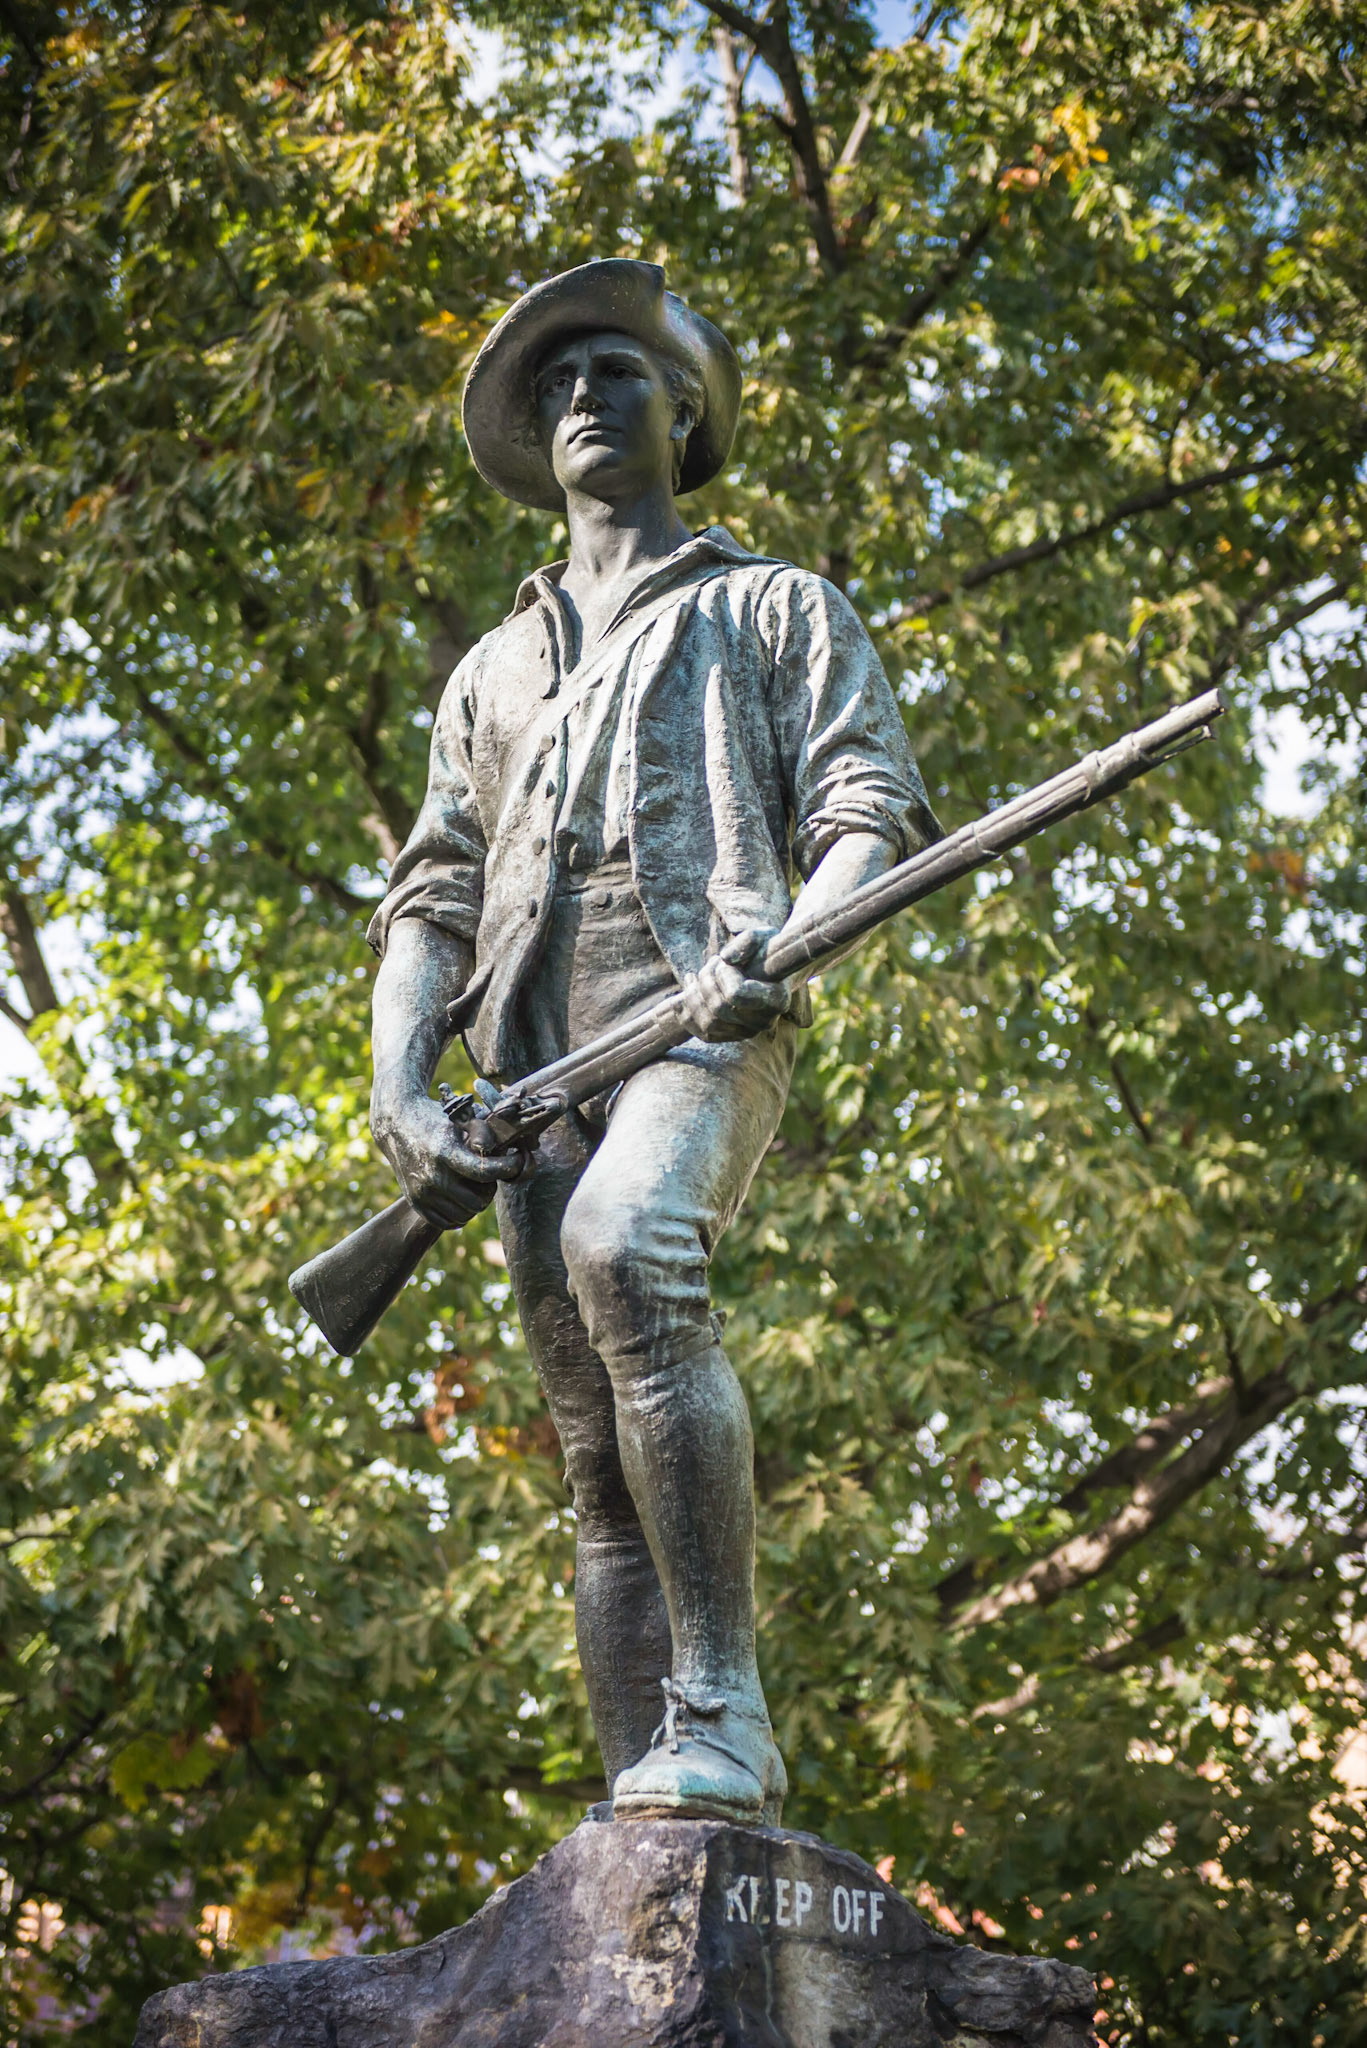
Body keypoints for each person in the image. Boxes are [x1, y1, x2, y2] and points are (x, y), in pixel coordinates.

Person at [366, 259, 940, 1825]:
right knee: (590, 1462)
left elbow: (864, 810)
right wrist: (400, 1086)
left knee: (633, 1250)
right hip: (530, 1065)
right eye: (556, 385)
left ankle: (726, 1714)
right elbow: (430, 891)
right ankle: (646, 1810)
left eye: (615, 372)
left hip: (704, 1009)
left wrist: (793, 935)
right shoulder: (490, 671)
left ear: (684, 410)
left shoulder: (776, 607)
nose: (580, 401)